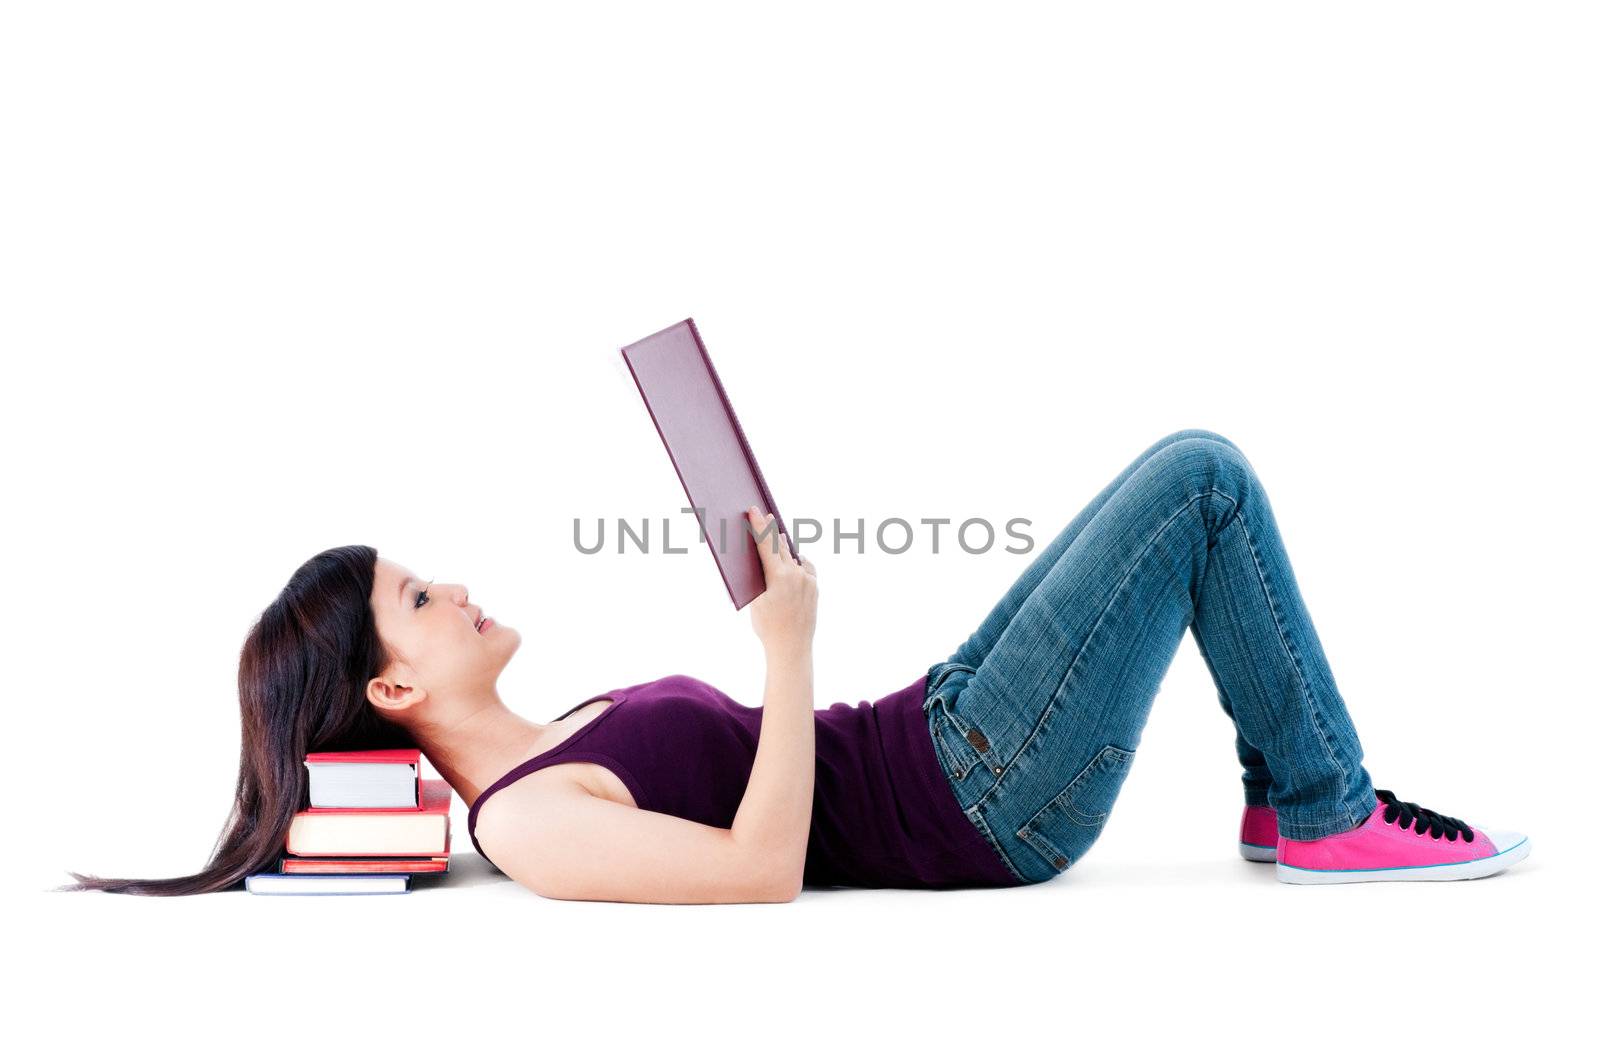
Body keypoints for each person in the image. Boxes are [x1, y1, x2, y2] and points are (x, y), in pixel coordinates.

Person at [62, 428, 1528, 900]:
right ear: (393, 687)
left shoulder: (547, 743)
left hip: (933, 728)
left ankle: (1289, 799)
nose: (454, 587)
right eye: (418, 598)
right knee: (1201, 480)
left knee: (1174, 482)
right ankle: (1326, 811)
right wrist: (785, 645)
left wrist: (786, 645)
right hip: (982, 805)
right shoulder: (527, 827)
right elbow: (763, 872)